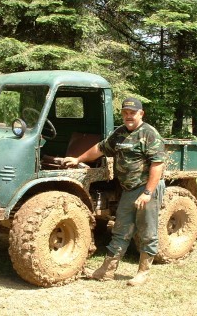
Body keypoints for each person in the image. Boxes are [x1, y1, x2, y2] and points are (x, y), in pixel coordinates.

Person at [63, 97, 165, 286]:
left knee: (147, 231)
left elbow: (157, 165)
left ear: (140, 114)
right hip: (128, 190)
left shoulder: (149, 134)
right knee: (120, 230)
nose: (128, 116)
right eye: (125, 113)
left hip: (145, 189)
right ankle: (106, 271)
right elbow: (100, 148)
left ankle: (143, 272)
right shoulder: (120, 133)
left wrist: (148, 192)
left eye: (132, 113)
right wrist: (78, 159)